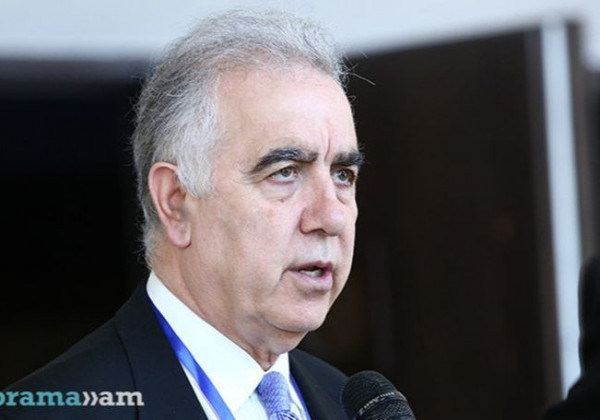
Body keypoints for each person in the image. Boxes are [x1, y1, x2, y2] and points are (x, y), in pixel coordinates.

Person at [0, 8, 363, 419]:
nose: (331, 218)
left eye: (343, 175)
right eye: (285, 172)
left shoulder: (348, 403)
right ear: (175, 202)